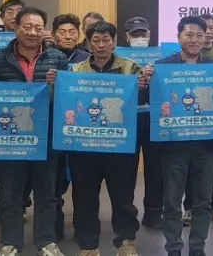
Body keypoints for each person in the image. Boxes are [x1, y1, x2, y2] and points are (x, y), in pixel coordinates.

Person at [0, 6, 70, 256]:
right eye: (27, 27)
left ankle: (46, 241)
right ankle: (11, 243)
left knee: (47, 194)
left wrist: (59, 85)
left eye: (38, 28)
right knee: (10, 194)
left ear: (44, 30)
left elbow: (68, 98)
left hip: (46, 137)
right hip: (10, 138)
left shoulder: (57, 58)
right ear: (16, 28)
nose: (33, 32)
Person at [138, 16, 213, 256]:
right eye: (189, 34)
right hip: (173, 148)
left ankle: (197, 248)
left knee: (203, 203)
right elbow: (145, 101)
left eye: (199, 35)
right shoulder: (162, 67)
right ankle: (173, 248)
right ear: (179, 36)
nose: (194, 40)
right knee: (171, 203)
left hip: (205, 146)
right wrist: (145, 83)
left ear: (206, 38)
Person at [66, 21, 142, 256]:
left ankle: (126, 241)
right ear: (89, 43)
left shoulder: (131, 68)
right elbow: (68, 102)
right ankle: (88, 245)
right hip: (85, 146)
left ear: (114, 41)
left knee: (123, 196)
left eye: (106, 40)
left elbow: (142, 102)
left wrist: (144, 86)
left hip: (120, 144)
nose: (101, 45)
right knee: (84, 196)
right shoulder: (75, 71)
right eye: (96, 40)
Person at [0, 0, 29, 227]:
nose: (14, 15)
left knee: (24, 158)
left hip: (23, 109)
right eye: (10, 11)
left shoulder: (35, 42)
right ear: (1, 17)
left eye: (19, 11)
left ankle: (21, 204)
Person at [183, 13, 213, 227]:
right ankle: (190, 207)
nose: (208, 32)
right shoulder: (182, 58)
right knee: (189, 166)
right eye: (204, 29)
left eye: (211, 28)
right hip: (189, 121)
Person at [50, 14, 91, 241]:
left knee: (83, 182)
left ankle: (82, 227)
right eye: (62, 32)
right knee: (54, 183)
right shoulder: (45, 57)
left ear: (79, 34)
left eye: (72, 32)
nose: (67, 36)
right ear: (53, 34)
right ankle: (54, 227)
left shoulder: (88, 59)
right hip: (54, 127)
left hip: (81, 128)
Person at [122, 16, 164, 229]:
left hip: (154, 119)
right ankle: (126, 215)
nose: (139, 37)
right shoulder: (118, 60)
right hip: (128, 120)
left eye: (143, 33)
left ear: (149, 35)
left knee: (156, 170)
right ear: (127, 37)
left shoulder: (162, 58)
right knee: (126, 172)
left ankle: (154, 214)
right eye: (135, 34)